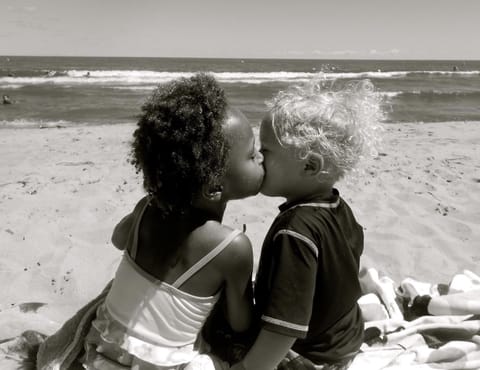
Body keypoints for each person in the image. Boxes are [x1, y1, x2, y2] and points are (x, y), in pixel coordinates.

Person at [79, 73, 264, 369]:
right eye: (252, 155)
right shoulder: (233, 247)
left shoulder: (146, 208)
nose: (261, 160)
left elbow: (117, 239)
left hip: (102, 348)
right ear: (214, 187)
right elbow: (240, 323)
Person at [232, 78, 384, 370]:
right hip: (346, 338)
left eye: (268, 151)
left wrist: (248, 368)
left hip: (313, 356)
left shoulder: (295, 231)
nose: (259, 159)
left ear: (310, 166)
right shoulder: (339, 207)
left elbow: (283, 329)